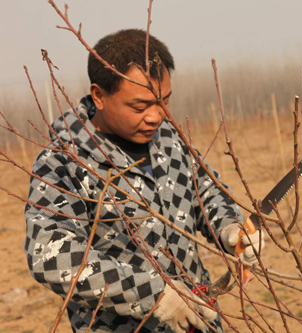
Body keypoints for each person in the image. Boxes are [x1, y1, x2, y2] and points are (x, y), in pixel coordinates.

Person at [24, 29, 263, 333]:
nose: (156, 116)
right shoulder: (64, 163)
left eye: (164, 101)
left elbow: (206, 193)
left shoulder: (169, 139)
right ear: (99, 96)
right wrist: (151, 293)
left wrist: (230, 228)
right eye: (140, 106)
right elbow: (50, 257)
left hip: (198, 321)